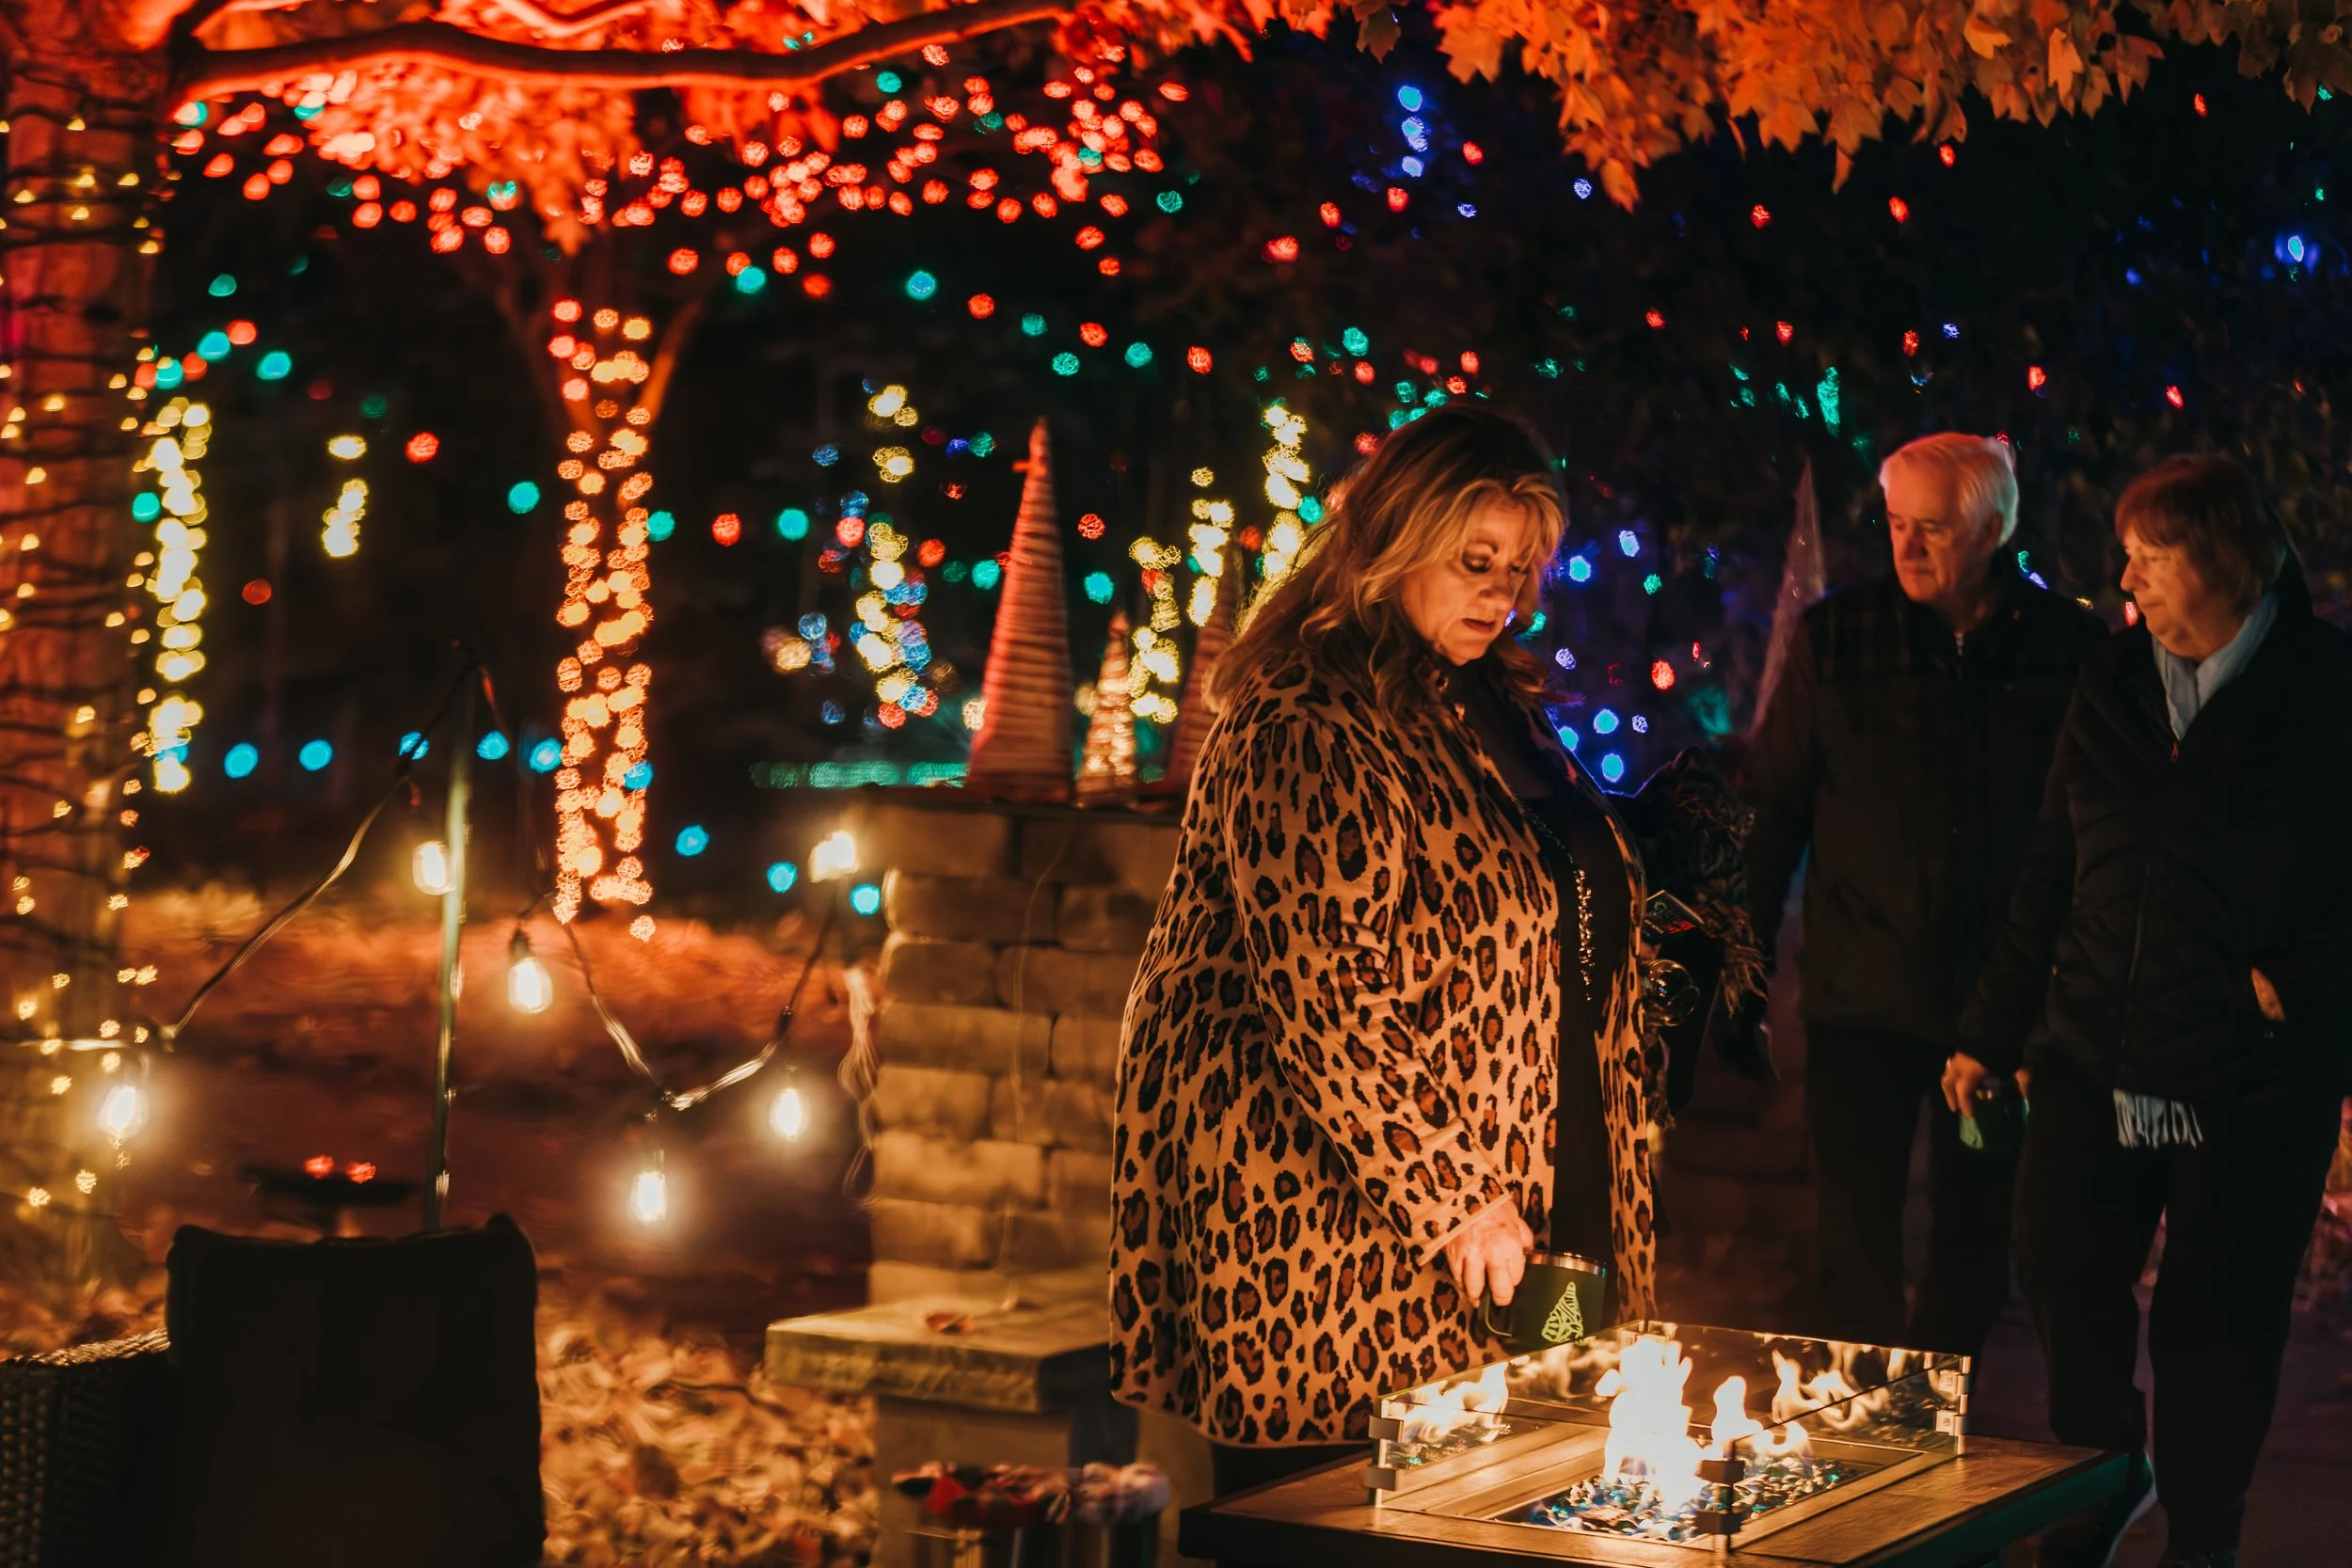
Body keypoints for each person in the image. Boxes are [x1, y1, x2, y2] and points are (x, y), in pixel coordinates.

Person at [1106, 405, 1660, 1514]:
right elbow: (1326, 996)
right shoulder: (1310, 715)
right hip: (1335, 1231)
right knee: (1346, 1518)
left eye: (1516, 564)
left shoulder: (1483, 695)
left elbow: (1539, 877)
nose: (1500, 591)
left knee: (1509, 1489)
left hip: (1525, 1189)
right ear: (1397, 538)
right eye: (1472, 560)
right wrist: (1457, 1198)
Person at [1949, 455, 2352, 1568]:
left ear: (2221, 561)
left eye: (2148, 558)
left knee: (2213, 1327)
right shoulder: (2116, 676)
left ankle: (2202, 1533)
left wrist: (2297, 985)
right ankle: (2102, 1473)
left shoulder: (2325, 689)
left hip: (2251, 1076)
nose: (2125, 581)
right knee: (2060, 1266)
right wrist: (1992, 1024)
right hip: (2094, 1047)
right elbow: (2052, 859)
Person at [1742, 433, 2104, 1356]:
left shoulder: (2065, 648)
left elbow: (2095, 826)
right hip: (1862, 1001)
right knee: (1850, 1239)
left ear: (1991, 529)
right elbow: (1775, 806)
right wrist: (1739, 957)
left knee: (1977, 1236)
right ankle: (1866, 1428)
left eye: (1932, 530)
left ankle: (1931, 1410)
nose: (1905, 549)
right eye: (1896, 524)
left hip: (1999, 1008)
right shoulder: (1840, 637)